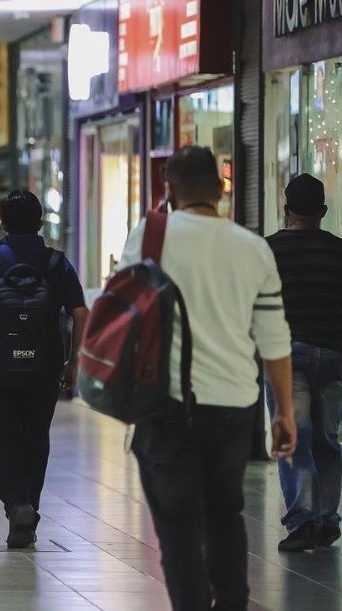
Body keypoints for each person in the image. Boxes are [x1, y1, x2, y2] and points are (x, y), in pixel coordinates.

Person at [117, 147, 295, 609]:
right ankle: (232, 602)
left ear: (168, 189)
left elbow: (124, 312)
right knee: (225, 513)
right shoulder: (252, 247)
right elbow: (275, 340)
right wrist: (285, 413)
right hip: (235, 407)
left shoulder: (148, 236)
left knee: (177, 528)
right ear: (221, 190)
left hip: (168, 405)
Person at [0, 191, 88, 548]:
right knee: (36, 439)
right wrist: (74, 360)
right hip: (45, 368)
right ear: (40, 222)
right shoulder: (56, 263)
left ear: (2, 223)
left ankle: (17, 505)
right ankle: (29, 508)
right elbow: (81, 312)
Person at [264, 174, 342, 552]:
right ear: (324, 212)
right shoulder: (339, 251)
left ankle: (304, 521)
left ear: (285, 209)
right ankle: (326, 519)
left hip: (287, 358)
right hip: (335, 359)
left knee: (294, 438)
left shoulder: (269, 250)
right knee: (327, 440)